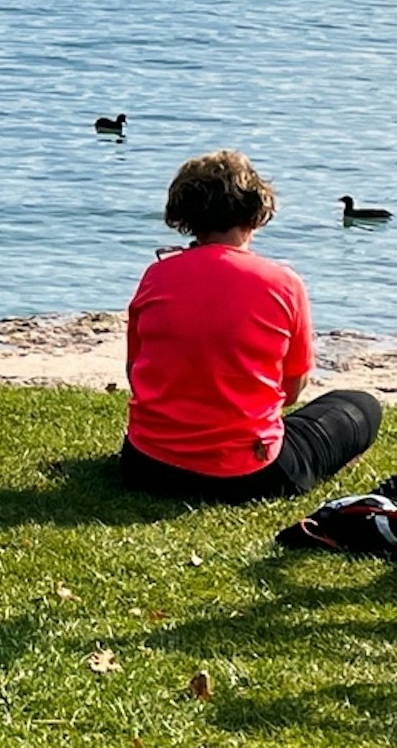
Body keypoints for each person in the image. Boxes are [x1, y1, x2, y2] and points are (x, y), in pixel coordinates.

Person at [119, 147, 383, 503]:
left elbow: (136, 372)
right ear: (257, 214)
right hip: (247, 472)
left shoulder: (157, 275)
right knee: (361, 406)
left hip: (147, 462)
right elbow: (291, 390)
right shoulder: (282, 283)